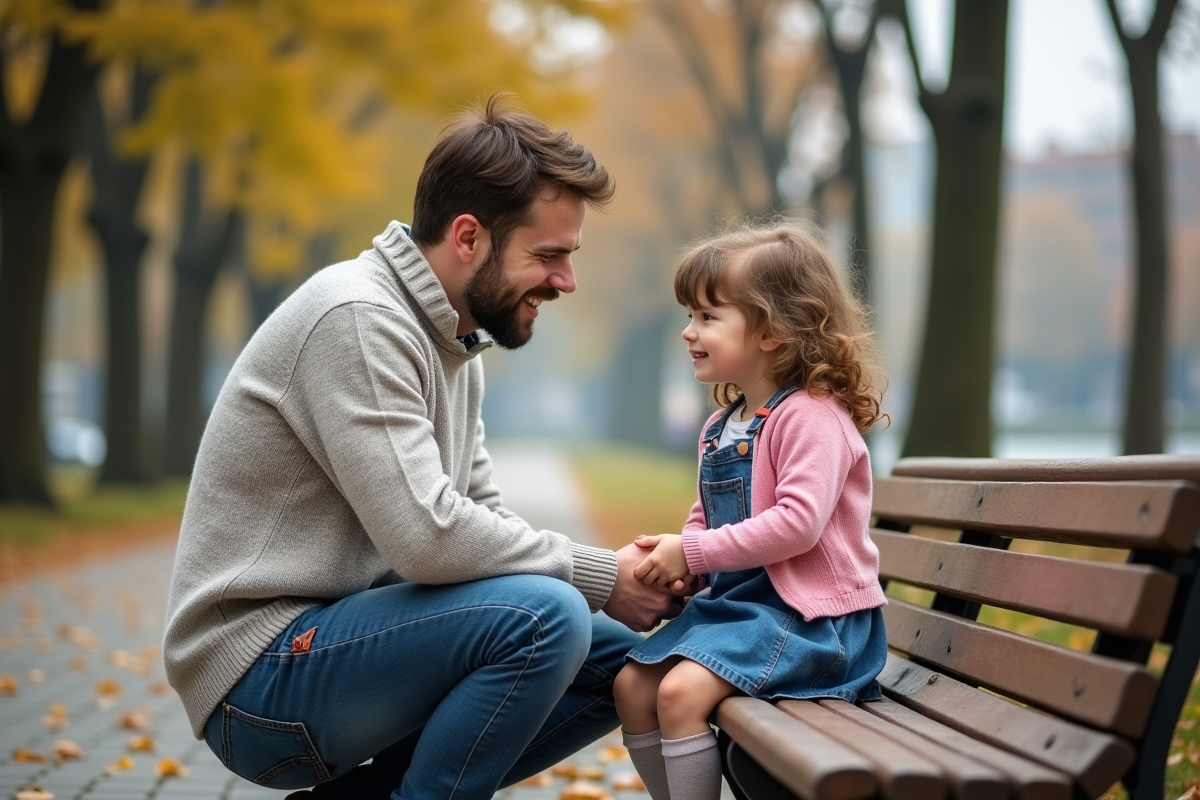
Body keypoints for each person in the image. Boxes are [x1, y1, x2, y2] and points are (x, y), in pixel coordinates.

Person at [162, 94, 677, 800]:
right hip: (258, 676)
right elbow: (427, 537)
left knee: (634, 665)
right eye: (549, 255)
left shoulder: (455, 341)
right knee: (546, 617)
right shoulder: (359, 318)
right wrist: (598, 574)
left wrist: (643, 583)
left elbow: (481, 513)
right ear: (468, 237)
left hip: (336, 651)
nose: (567, 281)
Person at [612, 224, 890, 800]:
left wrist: (690, 550)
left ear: (773, 331)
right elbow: (705, 513)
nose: (689, 332)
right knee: (633, 685)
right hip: (744, 610)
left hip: (812, 621)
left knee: (679, 694)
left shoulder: (811, 417)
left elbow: (797, 524)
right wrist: (685, 560)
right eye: (690, 315)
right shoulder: (722, 425)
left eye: (709, 317)